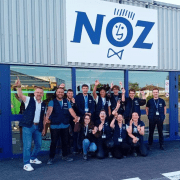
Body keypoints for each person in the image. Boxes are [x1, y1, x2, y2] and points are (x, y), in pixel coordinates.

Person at [15, 77, 46, 171]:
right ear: (34, 93)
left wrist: (44, 128)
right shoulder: (29, 100)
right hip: (28, 126)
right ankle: (26, 163)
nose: (39, 94)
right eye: (37, 92)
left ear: (43, 94)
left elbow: (44, 117)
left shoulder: (43, 104)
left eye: (41, 93)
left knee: (39, 144)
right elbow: (20, 95)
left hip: (38, 126)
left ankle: (32, 158)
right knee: (27, 146)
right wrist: (19, 86)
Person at [45, 88, 79, 165]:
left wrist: (75, 117)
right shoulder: (52, 102)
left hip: (65, 125)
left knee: (65, 142)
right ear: (56, 92)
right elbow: (49, 110)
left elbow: (71, 111)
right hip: (55, 126)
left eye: (62, 92)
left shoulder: (67, 102)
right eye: (59, 92)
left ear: (64, 93)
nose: (60, 93)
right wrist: (47, 117)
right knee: (54, 142)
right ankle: (51, 157)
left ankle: (65, 156)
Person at [66, 89, 80, 154]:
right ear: (66, 94)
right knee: (66, 135)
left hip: (73, 120)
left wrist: (74, 104)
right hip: (66, 120)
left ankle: (75, 149)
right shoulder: (64, 101)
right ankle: (67, 150)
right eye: (69, 93)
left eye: (71, 93)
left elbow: (77, 111)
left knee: (75, 134)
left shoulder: (74, 101)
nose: (70, 95)